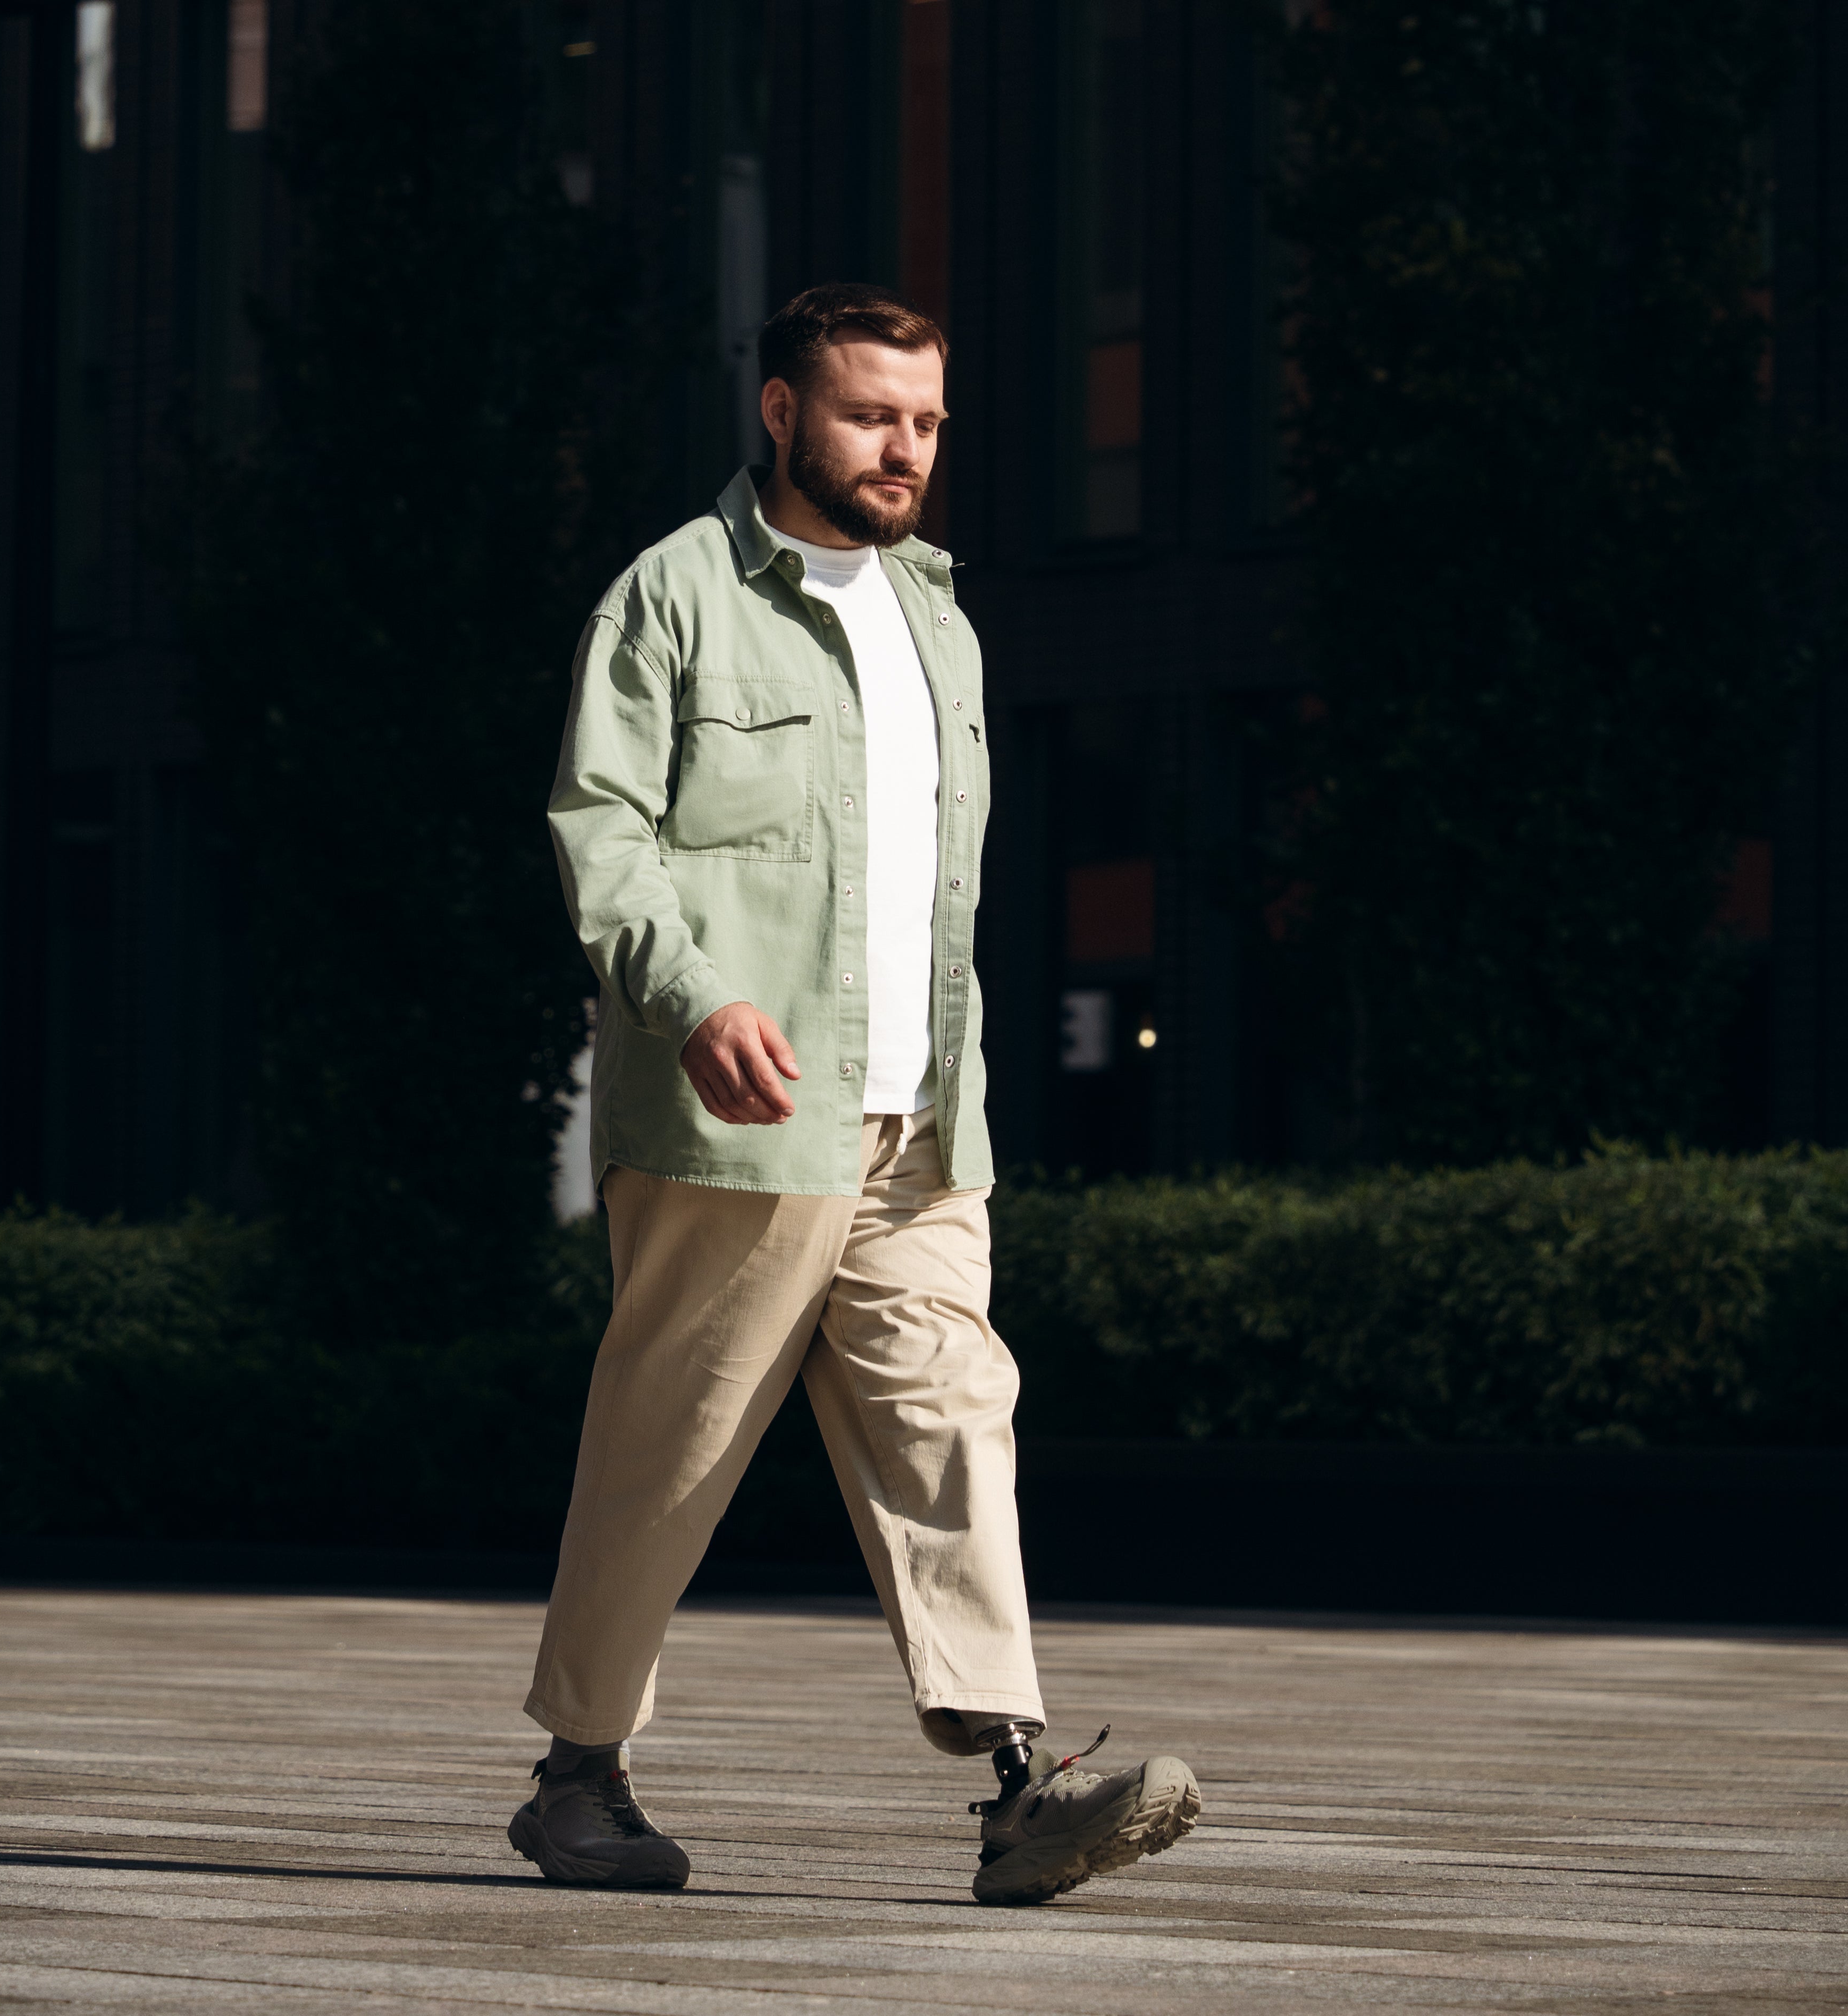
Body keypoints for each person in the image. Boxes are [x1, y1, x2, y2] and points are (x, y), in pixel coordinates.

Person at [515, 283, 1200, 1906]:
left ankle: (1022, 1784)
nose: (903, 450)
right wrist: (694, 1001)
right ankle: (578, 1774)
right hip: (737, 1113)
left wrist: (944, 1089)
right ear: (778, 412)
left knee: (955, 1416)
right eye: (869, 415)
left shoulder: (936, 618)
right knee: (672, 1438)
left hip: (919, 1123)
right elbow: (600, 831)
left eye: (925, 423)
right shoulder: (671, 598)